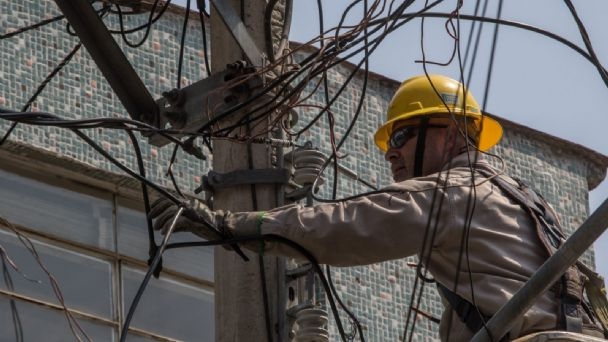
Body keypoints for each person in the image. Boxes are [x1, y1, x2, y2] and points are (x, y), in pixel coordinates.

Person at [149, 74, 605, 341]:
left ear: (449, 131)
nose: (391, 155)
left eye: (402, 137)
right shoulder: (521, 202)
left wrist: (230, 224)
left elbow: (344, 224)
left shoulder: (452, 194)